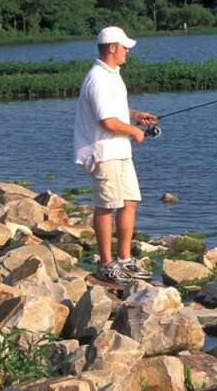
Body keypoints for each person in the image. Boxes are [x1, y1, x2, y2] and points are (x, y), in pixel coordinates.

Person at [74, 26, 158, 284]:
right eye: (124, 48)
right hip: (103, 152)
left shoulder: (113, 75)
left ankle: (124, 260)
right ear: (112, 48)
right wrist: (135, 131)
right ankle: (105, 265)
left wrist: (135, 115)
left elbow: (116, 110)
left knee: (129, 202)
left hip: (120, 151)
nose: (127, 52)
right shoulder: (98, 78)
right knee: (106, 206)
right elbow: (107, 121)